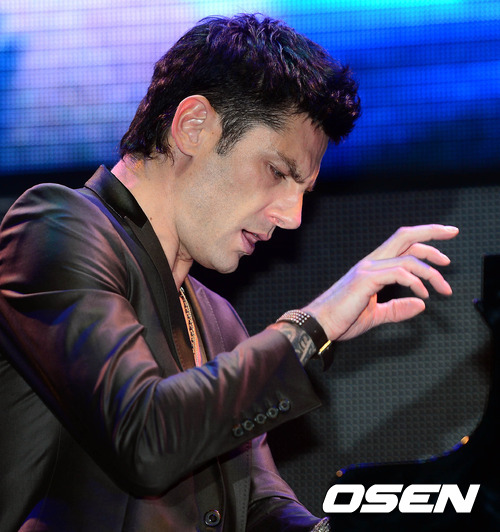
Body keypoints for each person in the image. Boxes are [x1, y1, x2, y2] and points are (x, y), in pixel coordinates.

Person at [0, 13, 458, 532]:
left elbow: (261, 507)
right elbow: (144, 436)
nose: (293, 216)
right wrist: (310, 329)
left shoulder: (217, 319)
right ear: (193, 126)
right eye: (277, 171)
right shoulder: (55, 227)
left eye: (303, 191)